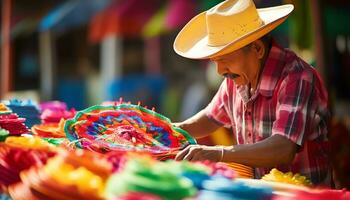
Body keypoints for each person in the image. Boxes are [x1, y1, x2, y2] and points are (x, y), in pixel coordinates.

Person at [173, 0, 331, 186]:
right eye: (215, 60)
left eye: (224, 59)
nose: (219, 70)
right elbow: (210, 118)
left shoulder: (297, 77)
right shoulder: (235, 80)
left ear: (257, 49)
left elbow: (283, 148)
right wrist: (162, 130)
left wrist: (218, 153)